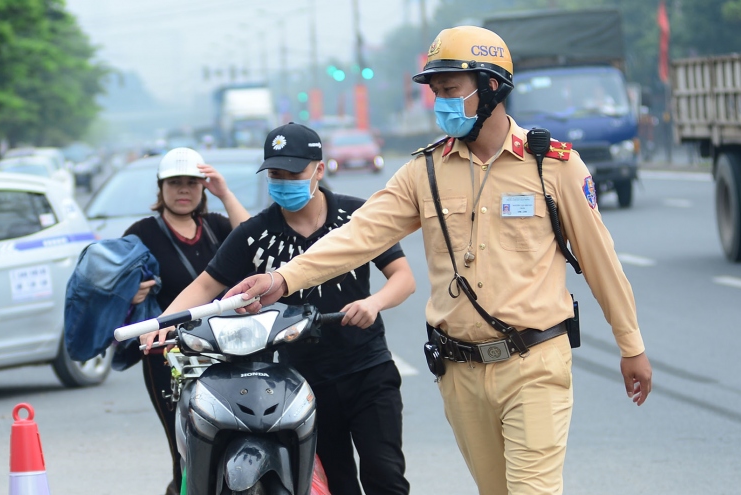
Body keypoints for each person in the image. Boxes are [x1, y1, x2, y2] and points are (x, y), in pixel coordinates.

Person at [225, 26, 653, 495]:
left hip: (534, 364)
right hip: (460, 373)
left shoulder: (553, 166)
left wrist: (630, 345)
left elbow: (600, 260)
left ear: (490, 87)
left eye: (450, 90)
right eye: (436, 92)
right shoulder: (422, 172)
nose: (440, 102)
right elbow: (359, 235)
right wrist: (283, 280)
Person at [143, 122, 416, 495]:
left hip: (368, 370)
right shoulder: (255, 233)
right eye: (275, 174)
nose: (284, 182)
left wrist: (374, 302)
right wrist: (161, 323)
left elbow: (403, 277)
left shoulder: (357, 218)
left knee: (385, 477)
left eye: (293, 173)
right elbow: (206, 286)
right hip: (299, 381)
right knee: (336, 482)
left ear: (319, 170)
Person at [126, 147, 251, 495]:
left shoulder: (216, 226)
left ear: (203, 188)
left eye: (191, 184)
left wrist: (224, 193)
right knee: (185, 447)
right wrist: (132, 294)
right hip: (167, 353)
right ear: (160, 189)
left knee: (231, 436)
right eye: (175, 183)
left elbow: (253, 242)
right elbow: (115, 285)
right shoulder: (141, 233)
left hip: (222, 347)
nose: (183, 190)